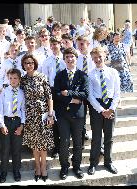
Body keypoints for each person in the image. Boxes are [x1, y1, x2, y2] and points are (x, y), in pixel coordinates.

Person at [54, 47, 89, 180]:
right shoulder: (59, 75)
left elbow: (85, 94)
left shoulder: (82, 75)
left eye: (72, 57)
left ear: (76, 58)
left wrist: (68, 93)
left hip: (78, 115)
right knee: (63, 142)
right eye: (67, 57)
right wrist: (72, 99)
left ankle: (77, 166)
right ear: (64, 60)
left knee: (78, 142)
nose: (69, 59)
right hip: (63, 114)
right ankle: (64, 167)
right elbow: (56, 94)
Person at [20, 53, 54, 182]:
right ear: (23, 65)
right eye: (26, 63)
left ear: (34, 64)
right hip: (29, 115)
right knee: (34, 143)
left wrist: (50, 114)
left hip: (43, 114)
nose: (29, 65)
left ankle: (44, 167)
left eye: (31, 63)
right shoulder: (22, 80)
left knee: (43, 144)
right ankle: (37, 167)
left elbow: (49, 97)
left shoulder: (42, 77)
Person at [87, 46, 120, 176]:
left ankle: (108, 161)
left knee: (109, 136)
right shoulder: (90, 74)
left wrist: (111, 108)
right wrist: (101, 110)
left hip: (111, 104)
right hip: (97, 107)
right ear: (92, 59)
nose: (98, 59)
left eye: (99, 57)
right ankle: (93, 163)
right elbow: (90, 95)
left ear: (104, 56)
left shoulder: (113, 72)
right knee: (96, 137)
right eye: (95, 58)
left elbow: (117, 92)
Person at [0, 68, 26, 183]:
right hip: (6, 121)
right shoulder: (4, 92)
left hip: (17, 122)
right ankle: (3, 171)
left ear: (19, 80)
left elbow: (23, 110)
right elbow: (0, 110)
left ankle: (16, 170)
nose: (13, 80)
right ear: (8, 79)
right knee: (5, 148)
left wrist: (22, 125)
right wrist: (2, 125)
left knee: (16, 148)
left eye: (15, 78)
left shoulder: (22, 93)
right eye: (11, 78)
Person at [42, 36, 66, 159]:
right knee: (54, 122)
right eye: (52, 44)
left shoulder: (65, 59)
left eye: (56, 44)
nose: (54, 46)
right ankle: (56, 147)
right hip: (52, 92)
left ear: (60, 44)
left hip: (64, 92)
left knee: (65, 120)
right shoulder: (47, 61)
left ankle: (65, 146)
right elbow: (45, 80)